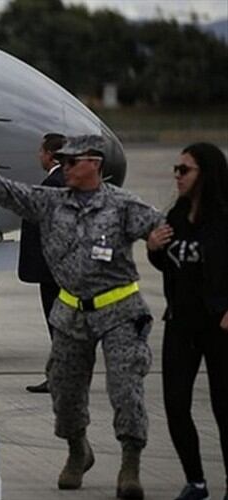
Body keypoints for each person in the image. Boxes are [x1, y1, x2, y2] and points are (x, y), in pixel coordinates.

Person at [0, 135, 164, 499]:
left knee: (126, 388)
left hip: (120, 311)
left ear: (94, 163)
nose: (63, 168)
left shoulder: (124, 205)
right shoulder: (51, 203)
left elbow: (162, 232)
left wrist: (159, 244)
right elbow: (14, 194)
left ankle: (130, 463)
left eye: (71, 162)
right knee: (64, 391)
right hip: (72, 311)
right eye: (61, 162)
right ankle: (78, 449)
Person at [146, 143, 228, 500]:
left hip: (219, 326)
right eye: (176, 169)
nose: (177, 176)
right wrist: (153, 250)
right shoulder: (177, 217)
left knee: (224, 407)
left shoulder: (224, 220)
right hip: (180, 322)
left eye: (185, 170)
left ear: (205, 175)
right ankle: (195, 481)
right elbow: (173, 266)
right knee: (175, 404)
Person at [20, 133, 66, 394]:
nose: (39, 155)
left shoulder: (55, 183)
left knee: (57, 323)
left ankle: (60, 377)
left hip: (53, 270)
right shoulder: (61, 181)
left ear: (50, 154)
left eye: (41, 151)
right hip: (56, 268)